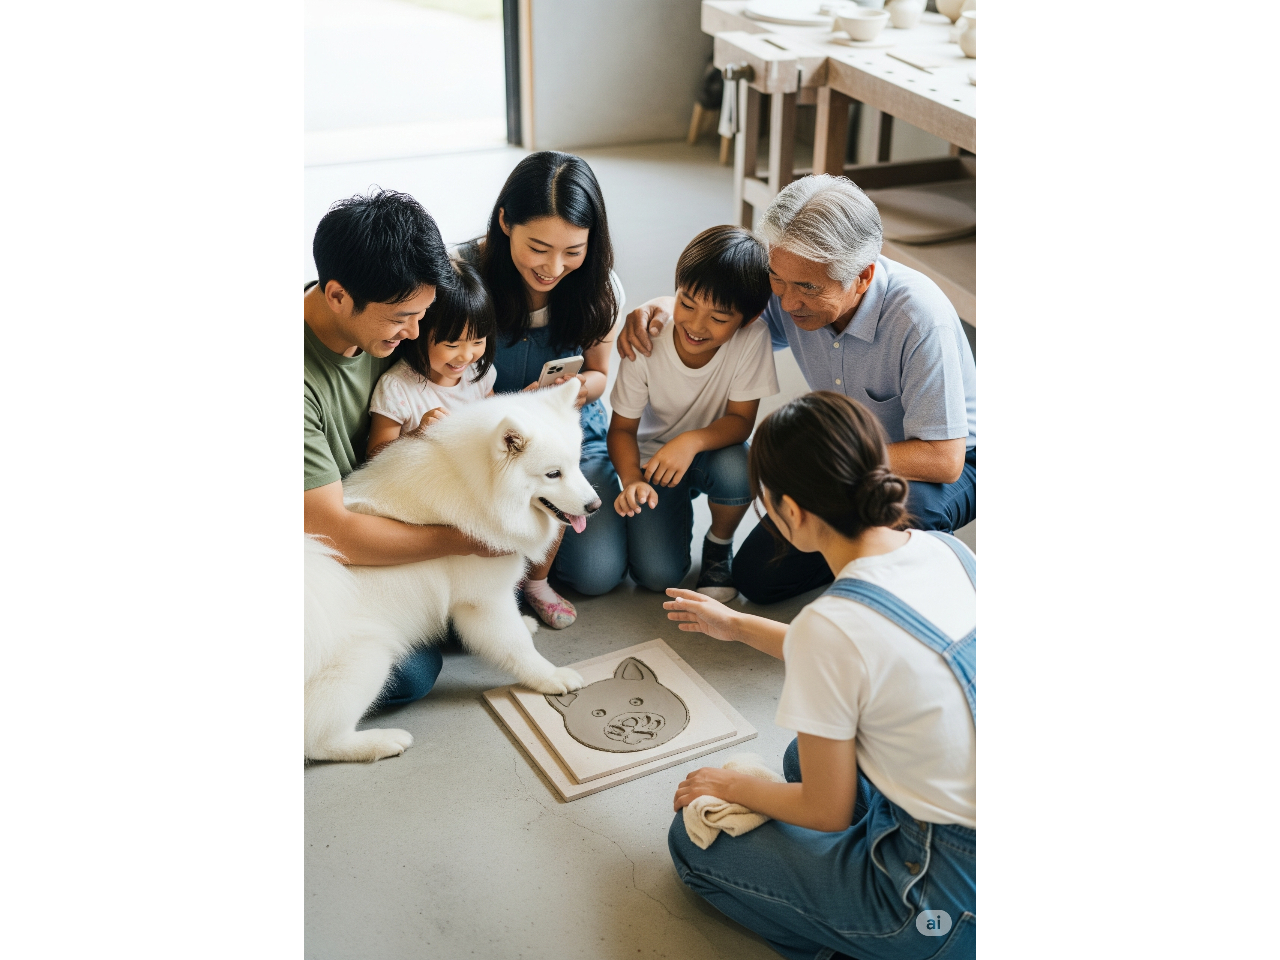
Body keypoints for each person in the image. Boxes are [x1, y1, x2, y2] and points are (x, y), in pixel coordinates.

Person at [664, 391, 976, 960]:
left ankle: (861, 942)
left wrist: (729, 785)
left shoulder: (829, 627)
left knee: (692, 841)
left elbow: (825, 813)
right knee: (796, 763)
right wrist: (735, 625)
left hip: (938, 906)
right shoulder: (946, 553)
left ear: (792, 512)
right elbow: (869, 652)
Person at [618, 174, 977, 605]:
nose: (787, 305)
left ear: (862, 277)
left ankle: (902, 587)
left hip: (939, 467)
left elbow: (944, 460)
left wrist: (822, 465)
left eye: (807, 288)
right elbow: (726, 317)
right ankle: (853, 546)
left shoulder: (919, 318)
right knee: (757, 579)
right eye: (777, 279)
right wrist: (660, 309)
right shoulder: (791, 286)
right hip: (847, 459)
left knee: (900, 514)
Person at [304, 189, 502, 709]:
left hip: (378, 500)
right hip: (319, 553)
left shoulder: (385, 313)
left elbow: (490, 259)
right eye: (401, 319)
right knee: (412, 670)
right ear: (338, 296)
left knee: (474, 611)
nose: (417, 333)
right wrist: (464, 540)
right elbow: (334, 533)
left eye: (422, 314)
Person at [457, 151, 627, 616]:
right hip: (492, 437)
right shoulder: (461, 276)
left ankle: (536, 572)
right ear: (505, 221)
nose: (554, 267)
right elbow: (440, 374)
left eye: (573, 251)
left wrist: (562, 395)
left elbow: (598, 374)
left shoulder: (599, 287)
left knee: (598, 574)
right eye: (538, 248)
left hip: (571, 439)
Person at [607, 225, 778, 601]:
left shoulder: (754, 337)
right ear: (676, 291)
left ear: (747, 319)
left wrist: (691, 441)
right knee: (657, 576)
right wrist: (633, 479)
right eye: (687, 303)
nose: (696, 326)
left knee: (740, 467)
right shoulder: (646, 339)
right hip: (652, 463)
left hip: (712, 453)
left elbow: (741, 422)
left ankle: (719, 545)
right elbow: (620, 429)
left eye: (719, 318)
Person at [365, 259, 496, 461]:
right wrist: (417, 434)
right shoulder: (397, 388)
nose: (466, 356)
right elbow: (374, 455)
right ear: (419, 332)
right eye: (452, 345)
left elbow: (494, 420)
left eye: (478, 342)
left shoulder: (479, 373)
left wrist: (523, 403)